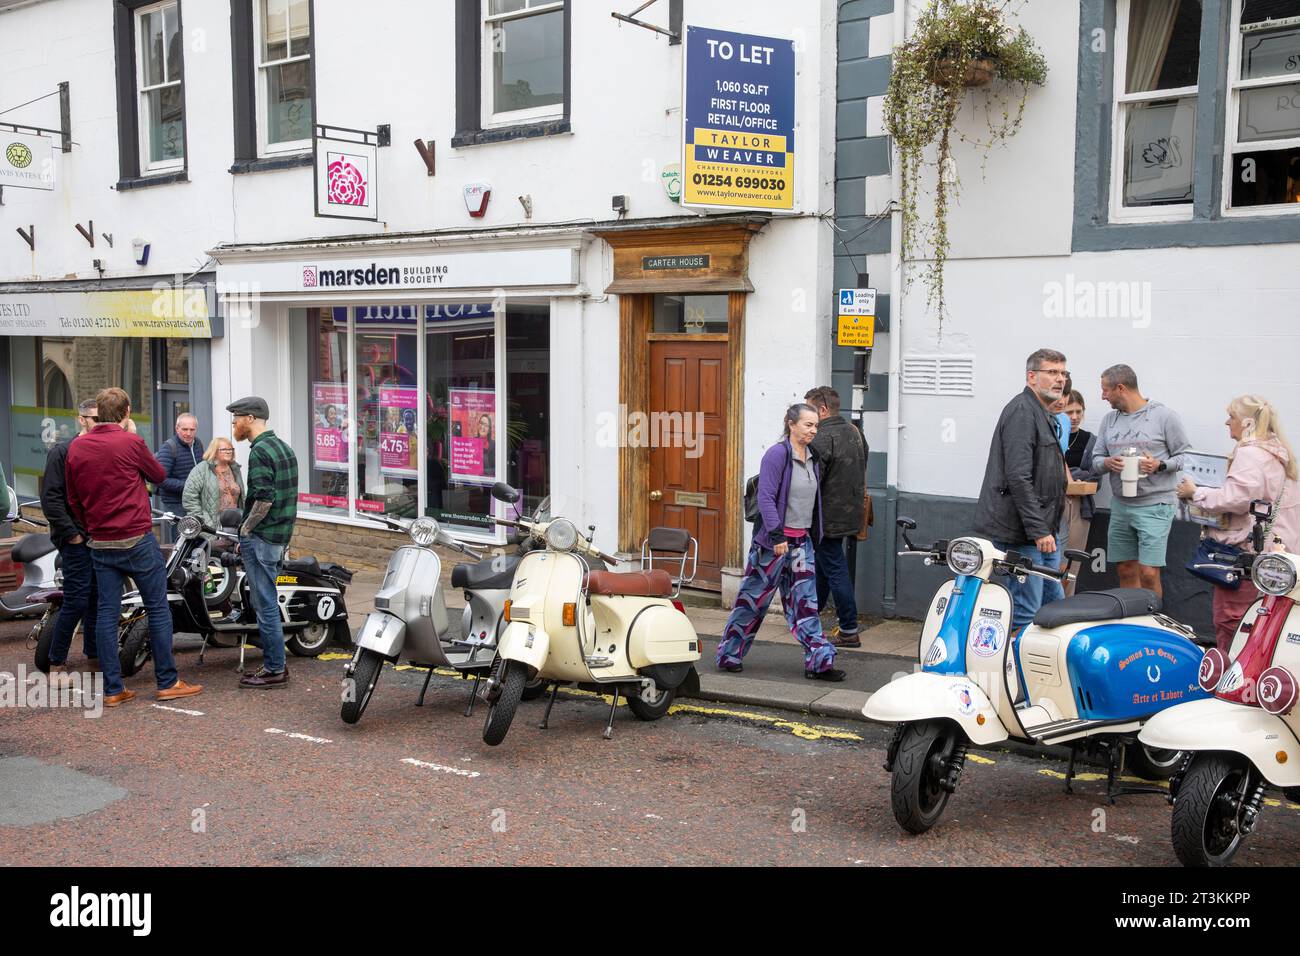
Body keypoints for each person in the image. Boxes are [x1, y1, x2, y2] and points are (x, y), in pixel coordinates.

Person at [64, 388, 202, 706]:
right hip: (137, 538)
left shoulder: (77, 447)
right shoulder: (130, 441)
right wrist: (131, 436)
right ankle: (167, 682)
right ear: (127, 411)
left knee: (106, 613)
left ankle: (113, 689)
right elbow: (158, 474)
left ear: (97, 413)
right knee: (157, 608)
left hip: (100, 541)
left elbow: (73, 499)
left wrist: (91, 527)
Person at [715, 404, 844, 681]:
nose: (813, 430)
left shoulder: (813, 456)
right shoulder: (776, 454)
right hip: (772, 545)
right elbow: (766, 497)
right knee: (753, 602)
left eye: (816, 426)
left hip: (801, 544)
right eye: (808, 425)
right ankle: (729, 654)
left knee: (805, 603)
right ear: (791, 424)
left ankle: (819, 662)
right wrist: (776, 536)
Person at [1177, 396, 1300, 650]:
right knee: (1267, 627)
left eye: (1231, 416)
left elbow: (1236, 498)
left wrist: (1195, 492)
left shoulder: (1250, 455)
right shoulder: (1279, 455)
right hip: (1279, 558)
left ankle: (1230, 682)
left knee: (1232, 624)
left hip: (1246, 558)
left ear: (1246, 423)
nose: (1226, 423)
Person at [973, 349, 1070, 634]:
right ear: (1031, 377)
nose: (1060, 379)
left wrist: (1046, 529)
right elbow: (1018, 477)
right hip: (1024, 533)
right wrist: (1039, 530)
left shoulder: (1041, 412)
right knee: (1025, 611)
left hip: (1043, 530)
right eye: (1052, 372)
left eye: (1063, 373)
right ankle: (1009, 668)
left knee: (1056, 606)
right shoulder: (1022, 411)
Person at [1091, 364, 1191, 598]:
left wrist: (1160, 465)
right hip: (1121, 505)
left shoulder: (1164, 416)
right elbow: (1095, 459)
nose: (1103, 396)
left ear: (1121, 388)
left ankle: (1151, 623)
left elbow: (1186, 456)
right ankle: (1132, 620)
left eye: (1105, 390)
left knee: (1148, 572)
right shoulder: (1109, 421)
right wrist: (1107, 463)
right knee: (1125, 568)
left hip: (1155, 504)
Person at [228, 396, 299, 689]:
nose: (234, 425)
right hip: (279, 536)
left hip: (262, 537)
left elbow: (265, 499)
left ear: (251, 419)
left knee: (265, 604)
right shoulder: (284, 447)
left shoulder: (259, 453)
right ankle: (275, 665)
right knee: (267, 601)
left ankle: (274, 668)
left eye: (237, 419)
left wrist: (245, 529)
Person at [40, 398, 101, 676]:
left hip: (100, 536)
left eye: (102, 419)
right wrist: (73, 535)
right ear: (81, 419)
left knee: (97, 597)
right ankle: (56, 660)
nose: (98, 424)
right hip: (74, 537)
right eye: (93, 419)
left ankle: (94, 654)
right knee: (77, 597)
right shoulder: (62, 452)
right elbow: (51, 500)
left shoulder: (101, 450)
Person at [803, 385, 867, 646]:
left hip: (825, 517)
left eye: (809, 409)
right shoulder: (855, 432)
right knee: (824, 565)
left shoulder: (821, 437)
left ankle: (849, 629)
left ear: (822, 409)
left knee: (834, 567)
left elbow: (810, 481)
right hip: (850, 514)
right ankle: (809, 616)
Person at [1061, 389, 1100, 596]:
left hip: (1080, 506)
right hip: (1053, 506)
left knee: (1072, 564)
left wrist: (1070, 473)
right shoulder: (1052, 436)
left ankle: (1066, 605)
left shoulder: (1090, 441)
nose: (1075, 417)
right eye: (1069, 412)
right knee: (1052, 562)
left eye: (1079, 412)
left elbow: (1095, 477)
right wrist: (1076, 474)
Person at [182, 437, 245, 530]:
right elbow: (189, 498)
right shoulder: (202, 469)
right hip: (211, 524)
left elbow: (242, 497)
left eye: (230, 449)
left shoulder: (235, 468)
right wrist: (204, 521)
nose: (228, 452)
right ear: (214, 451)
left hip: (234, 524)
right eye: (224, 449)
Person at [155, 412, 204, 515]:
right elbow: (160, 480)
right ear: (177, 428)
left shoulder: (198, 443)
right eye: (184, 429)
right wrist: (187, 486)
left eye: (192, 429)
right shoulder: (168, 448)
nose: (188, 433)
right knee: (180, 531)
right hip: (175, 504)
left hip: (194, 501)